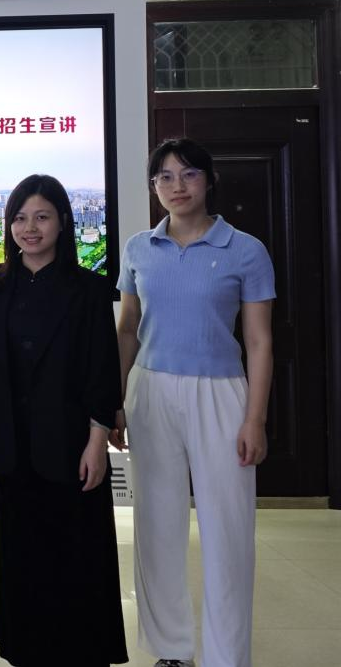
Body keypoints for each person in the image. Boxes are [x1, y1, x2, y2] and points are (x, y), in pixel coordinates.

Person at [114, 139, 274, 667]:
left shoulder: (245, 249)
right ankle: (171, 649)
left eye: (188, 174)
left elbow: (259, 342)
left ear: (209, 180)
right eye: (164, 176)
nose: (176, 186)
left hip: (220, 394)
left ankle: (228, 656)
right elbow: (128, 329)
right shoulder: (139, 248)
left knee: (228, 529)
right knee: (156, 525)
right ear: (153, 186)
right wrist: (116, 402)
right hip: (150, 390)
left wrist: (255, 419)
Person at [0, 175, 127, 666]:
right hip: (11, 444)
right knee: (19, 555)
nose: (29, 228)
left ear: (63, 222)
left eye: (42, 217)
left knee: (77, 553)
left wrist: (98, 438)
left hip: (72, 444)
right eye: (19, 218)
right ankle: (24, 650)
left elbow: (101, 367)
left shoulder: (89, 288)